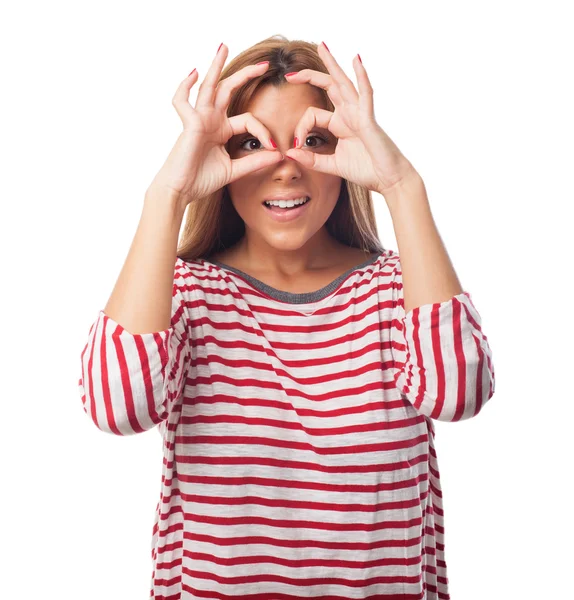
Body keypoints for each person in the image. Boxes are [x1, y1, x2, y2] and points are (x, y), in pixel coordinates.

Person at [78, 35, 496, 599]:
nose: (284, 168)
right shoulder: (185, 295)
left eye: (312, 141)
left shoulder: (399, 290)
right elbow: (114, 407)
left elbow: (457, 395)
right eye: (251, 142)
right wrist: (167, 195)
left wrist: (402, 186)